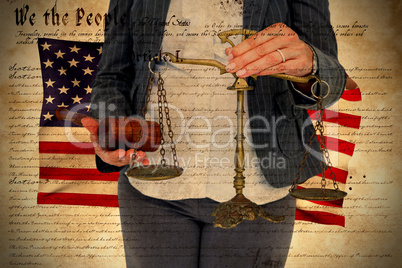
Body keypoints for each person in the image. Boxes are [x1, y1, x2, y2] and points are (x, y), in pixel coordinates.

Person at [82, 0, 346, 267]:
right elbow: (113, 73)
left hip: (261, 185)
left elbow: (331, 81)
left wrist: (310, 65)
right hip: (150, 185)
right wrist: (110, 129)